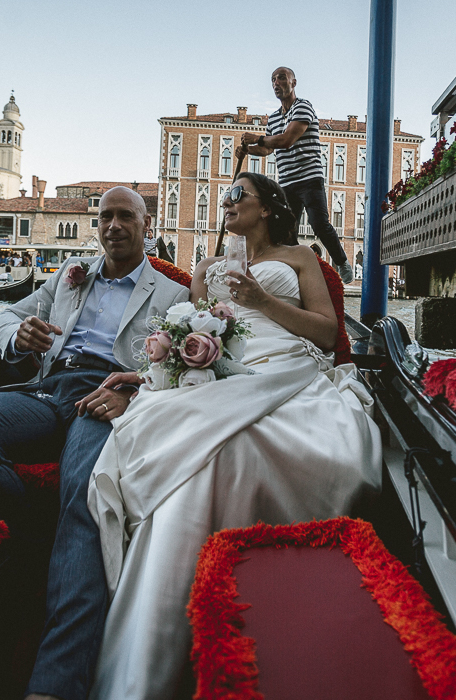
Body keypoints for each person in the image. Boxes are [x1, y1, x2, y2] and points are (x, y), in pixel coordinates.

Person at [87, 172, 382, 699]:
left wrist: (261, 300)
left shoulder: (301, 258)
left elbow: (326, 331)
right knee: (196, 449)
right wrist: (159, 368)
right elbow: (193, 334)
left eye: (235, 196)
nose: (225, 203)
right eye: (224, 197)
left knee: (225, 448)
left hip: (291, 364)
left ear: (267, 207)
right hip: (226, 368)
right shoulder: (206, 268)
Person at [0, 187, 188, 700]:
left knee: (84, 495)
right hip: (46, 389)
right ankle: (33, 528)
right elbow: (5, 316)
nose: (113, 226)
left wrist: (135, 395)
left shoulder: (174, 294)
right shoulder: (68, 275)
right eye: (105, 216)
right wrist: (18, 338)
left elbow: (180, 373)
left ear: (146, 225)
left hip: (107, 394)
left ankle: (57, 681)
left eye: (125, 216)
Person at [239, 66, 354, 285]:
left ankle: (341, 261)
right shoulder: (273, 119)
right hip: (287, 182)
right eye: (273, 80)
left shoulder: (303, 107)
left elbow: (286, 140)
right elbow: (268, 149)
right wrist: (248, 150)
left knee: (319, 224)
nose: (276, 83)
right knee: (286, 230)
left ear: (293, 82)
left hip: (309, 177)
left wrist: (258, 138)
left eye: (281, 78)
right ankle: (295, 271)